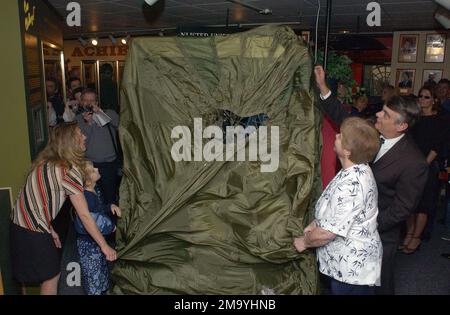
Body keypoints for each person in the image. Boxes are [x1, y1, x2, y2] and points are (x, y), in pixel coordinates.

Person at [314, 65, 428, 295]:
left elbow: (403, 207)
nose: (378, 114)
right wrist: (324, 88)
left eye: (386, 114)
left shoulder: (414, 162)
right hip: (349, 232)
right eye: (382, 110)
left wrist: (369, 225)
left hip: (379, 235)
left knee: (380, 285)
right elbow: (346, 121)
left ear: (401, 126)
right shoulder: (373, 133)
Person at [9, 122, 117, 295]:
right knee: (51, 275)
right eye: (80, 134)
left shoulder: (45, 163)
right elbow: (84, 214)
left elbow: (34, 198)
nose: (85, 136)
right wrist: (104, 245)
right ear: (70, 141)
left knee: (50, 273)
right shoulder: (69, 171)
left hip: (21, 225)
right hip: (31, 229)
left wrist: (49, 228)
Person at [294, 117, 382, 295]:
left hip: (352, 271)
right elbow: (334, 211)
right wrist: (313, 225)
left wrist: (303, 242)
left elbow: (327, 233)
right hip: (344, 264)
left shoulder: (352, 185)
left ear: (347, 151)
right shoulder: (355, 168)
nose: (335, 136)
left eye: (340, 136)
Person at [74, 162, 122, 295]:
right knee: (92, 274)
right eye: (93, 170)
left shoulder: (96, 189)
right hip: (88, 244)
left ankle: (102, 289)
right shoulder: (87, 198)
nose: (97, 168)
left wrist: (110, 206)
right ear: (88, 182)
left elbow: (100, 208)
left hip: (98, 241)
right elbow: (91, 219)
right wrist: (110, 226)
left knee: (101, 269)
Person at [76, 89, 121, 204]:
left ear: (97, 102)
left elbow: (118, 124)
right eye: (86, 100)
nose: (89, 103)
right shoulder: (78, 120)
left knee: (110, 198)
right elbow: (83, 141)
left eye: (92, 100)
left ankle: (111, 221)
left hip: (109, 164)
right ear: (81, 102)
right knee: (92, 199)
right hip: (89, 165)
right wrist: (89, 123)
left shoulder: (109, 113)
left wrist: (100, 113)